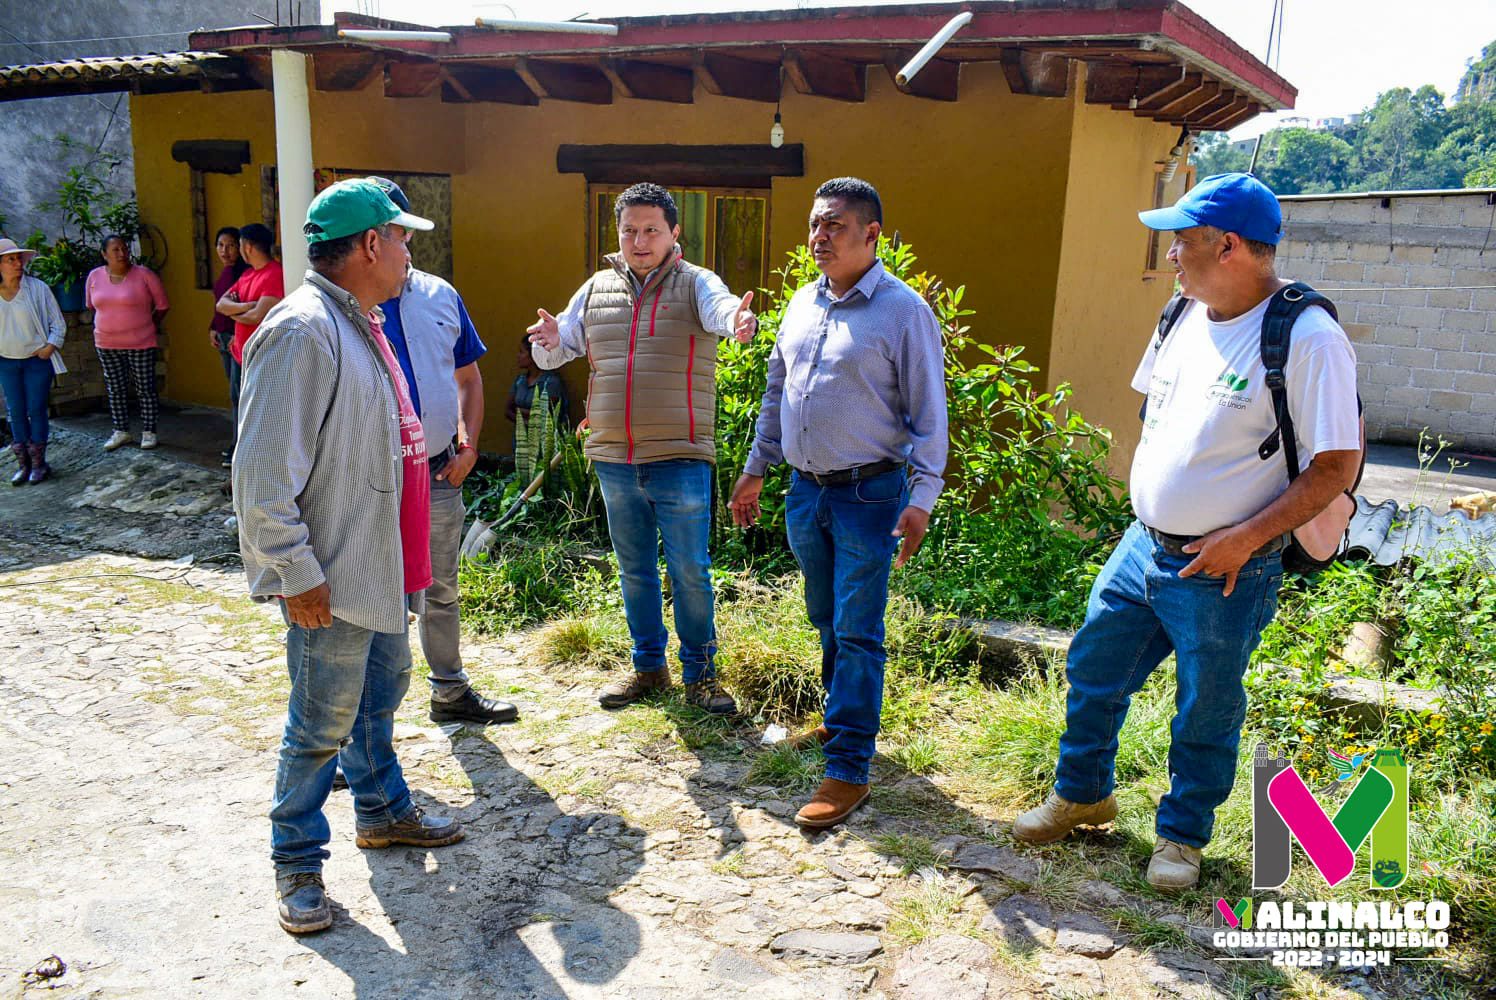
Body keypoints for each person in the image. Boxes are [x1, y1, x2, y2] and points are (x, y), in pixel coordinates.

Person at [1011, 173, 1361, 891]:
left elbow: (1334, 466)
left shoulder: (1308, 336)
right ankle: (1082, 794)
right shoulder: (1179, 314)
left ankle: (1182, 839)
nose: (1170, 252)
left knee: (1206, 704)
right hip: (1144, 543)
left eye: (1183, 239)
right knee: (1094, 669)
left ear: (1228, 245)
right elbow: (1161, 419)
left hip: (1229, 563)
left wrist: (1243, 536)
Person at [233, 179, 463, 935]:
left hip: (379, 560)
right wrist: (294, 573)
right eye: (401, 238)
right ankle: (296, 862)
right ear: (370, 244)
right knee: (319, 723)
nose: (407, 252)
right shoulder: (302, 330)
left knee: (381, 695)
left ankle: (383, 809)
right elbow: (263, 476)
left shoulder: (355, 319)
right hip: (330, 574)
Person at [729, 177, 948, 830]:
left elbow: (929, 418)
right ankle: (837, 719)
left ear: (871, 234)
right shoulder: (802, 303)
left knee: (858, 630)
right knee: (825, 614)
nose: (818, 237)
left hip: (870, 495)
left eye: (833, 225)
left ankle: (850, 767)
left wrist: (922, 498)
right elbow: (777, 389)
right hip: (806, 493)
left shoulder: (903, 312)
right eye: (813, 225)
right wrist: (754, 468)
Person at [528, 182, 756, 715]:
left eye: (651, 229)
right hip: (614, 458)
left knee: (690, 571)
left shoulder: (697, 283)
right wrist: (546, 342)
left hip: (679, 456)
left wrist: (738, 322)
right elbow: (557, 352)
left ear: (674, 232)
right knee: (634, 570)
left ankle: (701, 676)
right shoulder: (596, 288)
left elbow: (723, 311)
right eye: (629, 230)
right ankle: (649, 669)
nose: (639, 239)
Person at [366, 175, 519, 726]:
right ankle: (349, 733)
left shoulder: (439, 296)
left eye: (403, 232)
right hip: (369, 481)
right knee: (368, 600)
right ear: (367, 241)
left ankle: (449, 691)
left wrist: (468, 445)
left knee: (441, 588)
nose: (401, 241)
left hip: (435, 474)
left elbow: (469, 380)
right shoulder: (342, 311)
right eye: (393, 232)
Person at [85, 234, 168, 451]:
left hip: (141, 342)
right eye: (115, 250)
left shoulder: (144, 275)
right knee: (115, 388)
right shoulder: (94, 277)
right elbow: (92, 306)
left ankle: (149, 431)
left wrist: (145, 324)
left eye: (124, 249)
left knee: (145, 388)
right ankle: (121, 430)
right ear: (104, 254)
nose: (122, 254)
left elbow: (162, 306)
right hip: (106, 342)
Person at [0, 237, 66, 484]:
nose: (18, 263)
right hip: (7, 361)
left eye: (19, 259)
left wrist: (50, 347)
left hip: (36, 361)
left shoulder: (37, 288)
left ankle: (39, 464)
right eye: (10, 259)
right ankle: (23, 465)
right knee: (15, 411)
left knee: (37, 409)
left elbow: (57, 322)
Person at [216, 221, 284, 380]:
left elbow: (256, 316)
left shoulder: (274, 274)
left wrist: (233, 313)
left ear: (247, 247)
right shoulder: (247, 274)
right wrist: (247, 306)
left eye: (238, 245)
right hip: (239, 354)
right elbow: (221, 304)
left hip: (261, 357)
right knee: (237, 402)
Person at [209, 226, 248, 467]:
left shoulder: (243, 274)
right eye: (221, 245)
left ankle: (239, 446)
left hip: (237, 339)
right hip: (223, 337)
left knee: (239, 392)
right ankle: (236, 442)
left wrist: (236, 332)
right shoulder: (225, 273)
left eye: (231, 245)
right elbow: (220, 306)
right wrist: (213, 327)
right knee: (233, 394)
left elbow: (240, 307)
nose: (225, 251)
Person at [505, 334, 569, 450]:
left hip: (542, 444)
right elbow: (508, 410)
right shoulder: (520, 381)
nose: (518, 356)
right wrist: (528, 418)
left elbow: (547, 415)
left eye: (521, 352)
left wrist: (520, 412)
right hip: (520, 442)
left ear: (533, 355)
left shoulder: (550, 382)